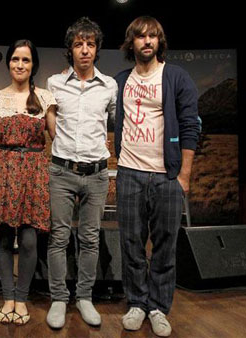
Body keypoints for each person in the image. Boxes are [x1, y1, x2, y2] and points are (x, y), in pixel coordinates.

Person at [114, 16, 200, 337]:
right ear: (131, 43)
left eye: (153, 36)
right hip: (130, 173)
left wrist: (184, 177)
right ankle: (137, 302)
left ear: (159, 42)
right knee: (131, 242)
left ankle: (158, 307)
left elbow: (191, 126)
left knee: (165, 245)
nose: (147, 41)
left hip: (166, 176)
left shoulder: (176, 76)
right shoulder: (121, 80)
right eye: (141, 36)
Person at [45, 17, 117, 329]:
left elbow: (117, 124)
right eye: (78, 44)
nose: (84, 50)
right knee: (59, 237)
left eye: (90, 44)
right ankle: (59, 298)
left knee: (89, 238)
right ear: (70, 49)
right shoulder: (54, 83)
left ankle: (84, 296)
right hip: (62, 171)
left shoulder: (110, 85)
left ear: (96, 49)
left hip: (98, 173)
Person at [0, 39, 57, 325]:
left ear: (33, 64)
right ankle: (8, 298)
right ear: (8, 63)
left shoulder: (45, 98)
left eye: (26, 60)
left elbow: (56, 137)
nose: (20, 65)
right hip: (2, 172)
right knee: (3, 238)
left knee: (28, 240)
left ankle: (22, 298)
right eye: (15, 59)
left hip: (34, 173)